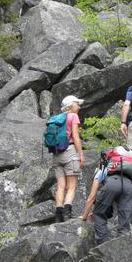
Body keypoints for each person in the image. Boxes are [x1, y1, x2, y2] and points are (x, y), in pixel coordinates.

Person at [93, 146, 132, 244]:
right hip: (129, 186)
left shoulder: (108, 162)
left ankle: (103, 243)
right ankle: (121, 246)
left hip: (112, 183)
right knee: (125, 221)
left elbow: (93, 195)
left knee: (99, 213)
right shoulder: (131, 158)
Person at [53, 95, 85, 223]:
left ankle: (57, 215)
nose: (79, 106)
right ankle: (67, 214)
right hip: (70, 152)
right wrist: (81, 154)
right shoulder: (73, 116)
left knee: (61, 186)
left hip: (56, 154)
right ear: (71, 105)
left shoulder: (56, 118)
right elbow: (76, 137)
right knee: (72, 186)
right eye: (77, 103)